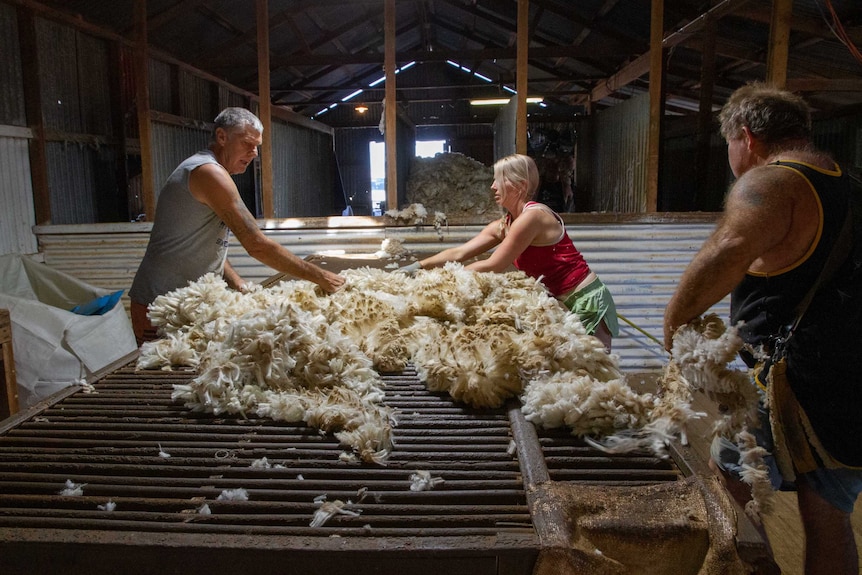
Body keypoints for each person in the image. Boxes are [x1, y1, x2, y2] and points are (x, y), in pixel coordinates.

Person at [663, 83, 862, 575]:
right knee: (829, 517)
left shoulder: (771, 182)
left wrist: (674, 324)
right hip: (851, 380)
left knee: (727, 489)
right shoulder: (850, 184)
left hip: (797, 382)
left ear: (746, 138)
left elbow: (728, 251)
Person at [129, 107, 345, 345]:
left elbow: (210, 243)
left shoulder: (211, 171)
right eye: (247, 144)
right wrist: (320, 276)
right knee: (166, 376)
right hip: (160, 307)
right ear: (222, 137)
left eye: (257, 147)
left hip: (187, 305)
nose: (254, 153)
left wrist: (237, 282)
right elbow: (256, 244)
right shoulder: (208, 173)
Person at [401, 153, 618, 349]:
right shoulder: (505, 224)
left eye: (499, 180)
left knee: (593, 371)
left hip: (586, 300)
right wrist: (418, 267)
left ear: (520, 185)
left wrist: (442, 281)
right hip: (562, 300)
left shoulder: (533, 217)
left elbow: (493, 265)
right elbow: (459, 253)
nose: (493, 187)